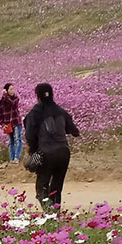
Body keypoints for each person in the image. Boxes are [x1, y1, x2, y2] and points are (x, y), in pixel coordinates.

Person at [24, 83, 80, 211]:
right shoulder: (60, 111)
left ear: (37, 95)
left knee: (41, 187)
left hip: (46, 153)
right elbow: (74, 131)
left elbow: (29, 135)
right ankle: (56, 212)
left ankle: (50, 213)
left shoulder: (35, 112)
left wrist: (33, 151)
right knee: (56, 188)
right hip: (64, 152)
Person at [0, 83, 23, 163]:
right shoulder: (2, 101)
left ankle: (16, 157)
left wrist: (5, 96)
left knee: (17, 139)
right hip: (7, 123)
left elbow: (12, 104)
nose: (12, 91)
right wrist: (2, 124)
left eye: (13, 89)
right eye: (11, 89)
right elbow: (0, 113)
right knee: (10, 141)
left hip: (16, 122)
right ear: (6, 90)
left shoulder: (16, 98)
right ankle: (11, 159)